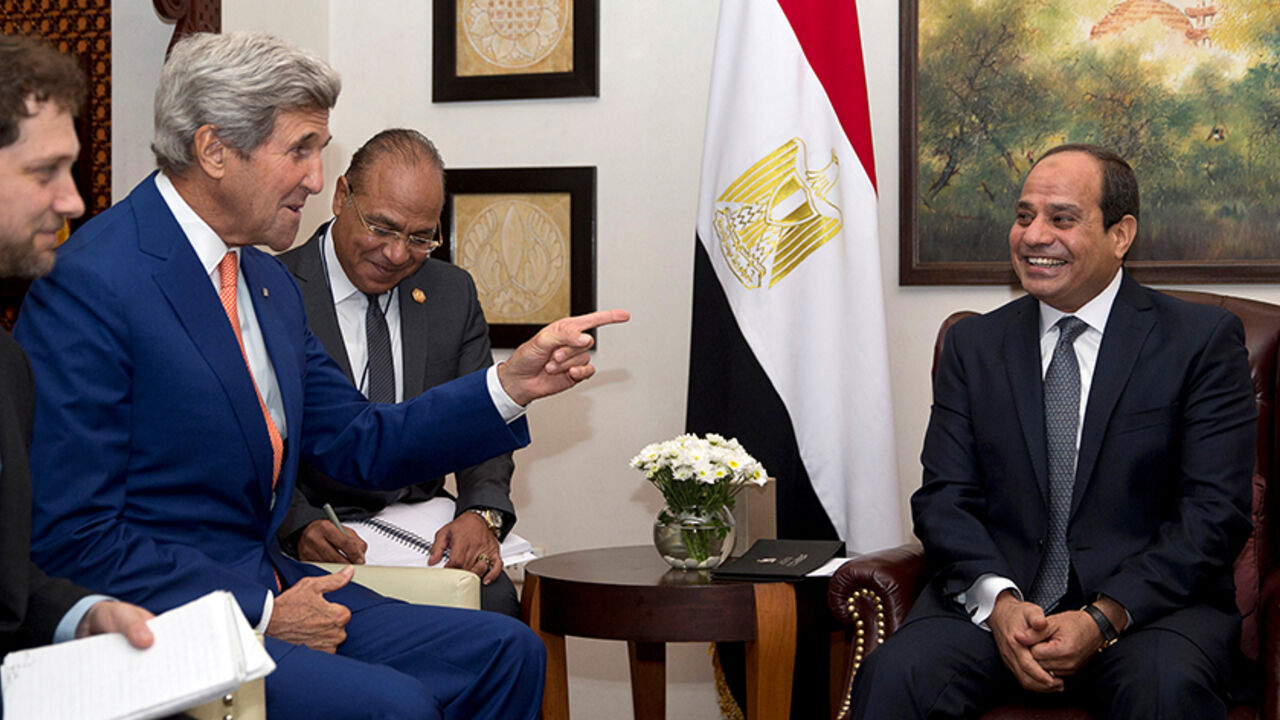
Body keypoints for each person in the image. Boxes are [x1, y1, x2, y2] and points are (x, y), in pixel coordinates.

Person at [14, 31, 627, 720]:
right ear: (215, 150)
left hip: (271, 582)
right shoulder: (93, 282)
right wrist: (261, 611)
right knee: (397, 706)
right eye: (301, 149)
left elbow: (362, 440)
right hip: (176, 622)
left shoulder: (264, 282)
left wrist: (508, 385)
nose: (315, 179)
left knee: (508, 652)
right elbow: (76, 538)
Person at [850, 144, 1256, 719]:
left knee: (1166, 688)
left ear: (1120, 235)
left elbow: (1213, 513)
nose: (1034, 236)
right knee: (897, 675)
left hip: (1150, 611)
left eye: (1062, 219)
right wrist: (999, 603)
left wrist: (1102, 617)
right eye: (1024, 216)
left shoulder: (1200, 341)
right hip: (1002, 608)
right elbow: (944, 499)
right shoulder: (974, 346)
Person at [276, 128, 521, 618]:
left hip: (421, 528)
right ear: (341, 197)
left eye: (420, 238)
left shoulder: (451, 293)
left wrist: (480, 512)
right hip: (318, 534)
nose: (396, 254)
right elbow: (255, 439)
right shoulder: (274, 290)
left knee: (495, 605)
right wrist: (298, 524)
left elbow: (480, 423)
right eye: (381, 228)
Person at [0, 33, 153, 681]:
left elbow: (11, 586)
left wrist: (83, 615)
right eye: (45, 172)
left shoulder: (10, 367)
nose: (74, 201)